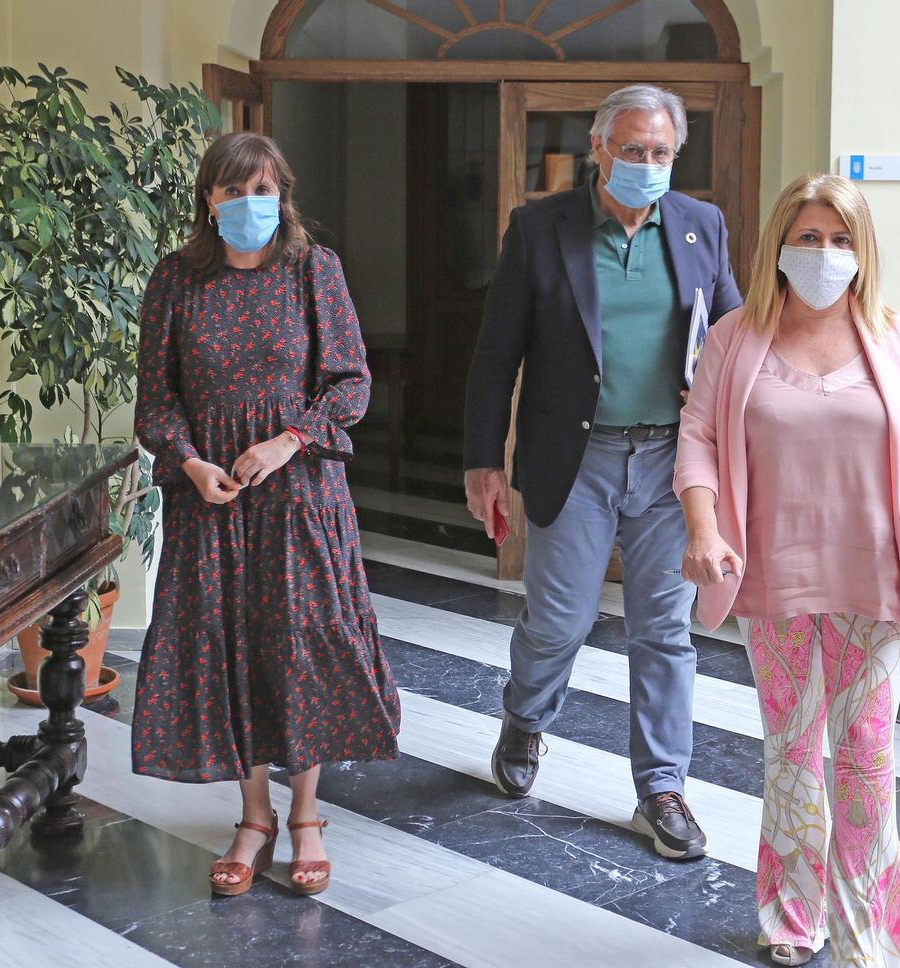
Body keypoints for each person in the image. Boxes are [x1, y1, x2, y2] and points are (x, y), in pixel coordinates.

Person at [674, 173, 900, 967]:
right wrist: (703, 528)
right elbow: (697, 437)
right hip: (774, 577)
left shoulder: (899, 338)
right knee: (792, 751)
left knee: (867, 755)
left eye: (840, 239)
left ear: (862, 252)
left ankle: (868, 935)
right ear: (779, 246)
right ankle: (792, 917)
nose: (824, 254)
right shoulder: (736, 336)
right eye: (808, 237)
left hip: (877, 579)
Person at [463, 84, 742, 859]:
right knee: (559, 621)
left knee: (665, 630)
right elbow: (495, 359)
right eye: (633, 150)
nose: (647, 165)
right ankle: (526, 718)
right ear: (598, 149)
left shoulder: (700, 228)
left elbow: (731, 337)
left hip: (670, 465)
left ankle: (663, 785)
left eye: (661, 153)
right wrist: (484, 460)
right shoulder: (539, 228)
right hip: (573, 459)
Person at [132, 131, 401, 898]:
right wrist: (189, 460)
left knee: (300, 643)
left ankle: (307, 815)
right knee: (228, 647)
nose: (250, 204)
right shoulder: (176, 280)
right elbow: (157, 399)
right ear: (207, 200)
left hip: (300, 494)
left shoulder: (314, 270)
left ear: (281, 196)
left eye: (263, 190)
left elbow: (350, 383)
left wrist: (289, 442)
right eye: (232, 190)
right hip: (209, 501)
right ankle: (253, 817)